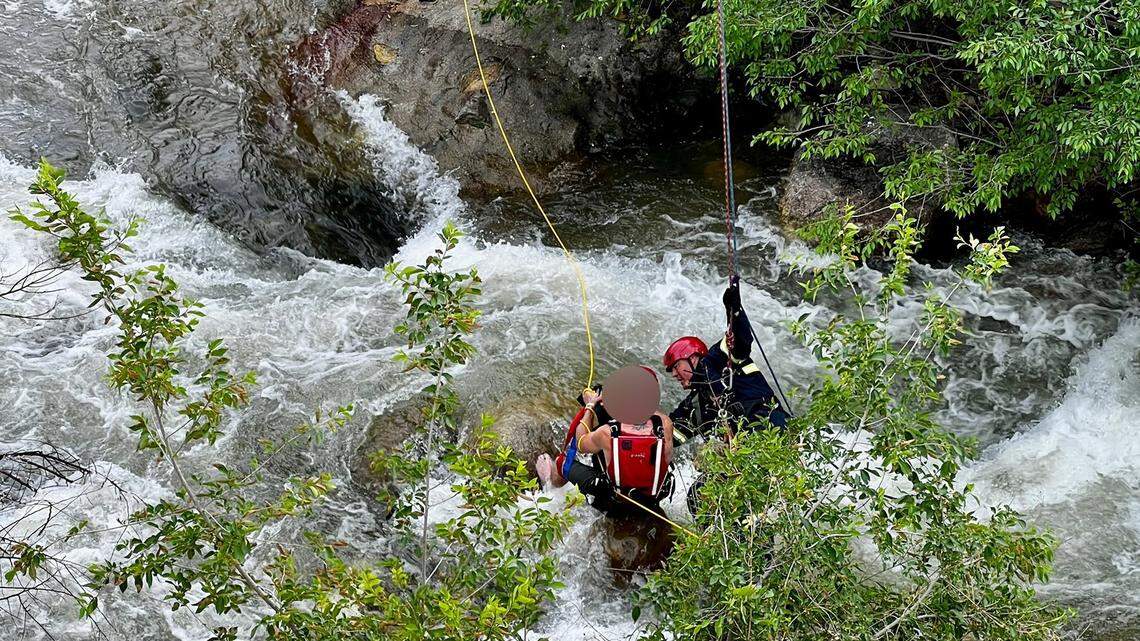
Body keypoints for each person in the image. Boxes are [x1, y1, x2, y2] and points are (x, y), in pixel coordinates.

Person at [664, 275, 788, 444]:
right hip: (747, 453)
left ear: (693, 358)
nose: (674, 374)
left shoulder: (719, 358)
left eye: (676, 366)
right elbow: (671, 432)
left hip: (772, 432)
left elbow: (740, 341)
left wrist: (735, 312)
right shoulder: (697, 403)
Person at [536, 365, 675, 517]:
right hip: (650, 499)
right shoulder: (666, 424)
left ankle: (551, 484)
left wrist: (590, 406)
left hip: (613, 499)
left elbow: (580, 441)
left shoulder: (607, 433)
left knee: (561, 462)